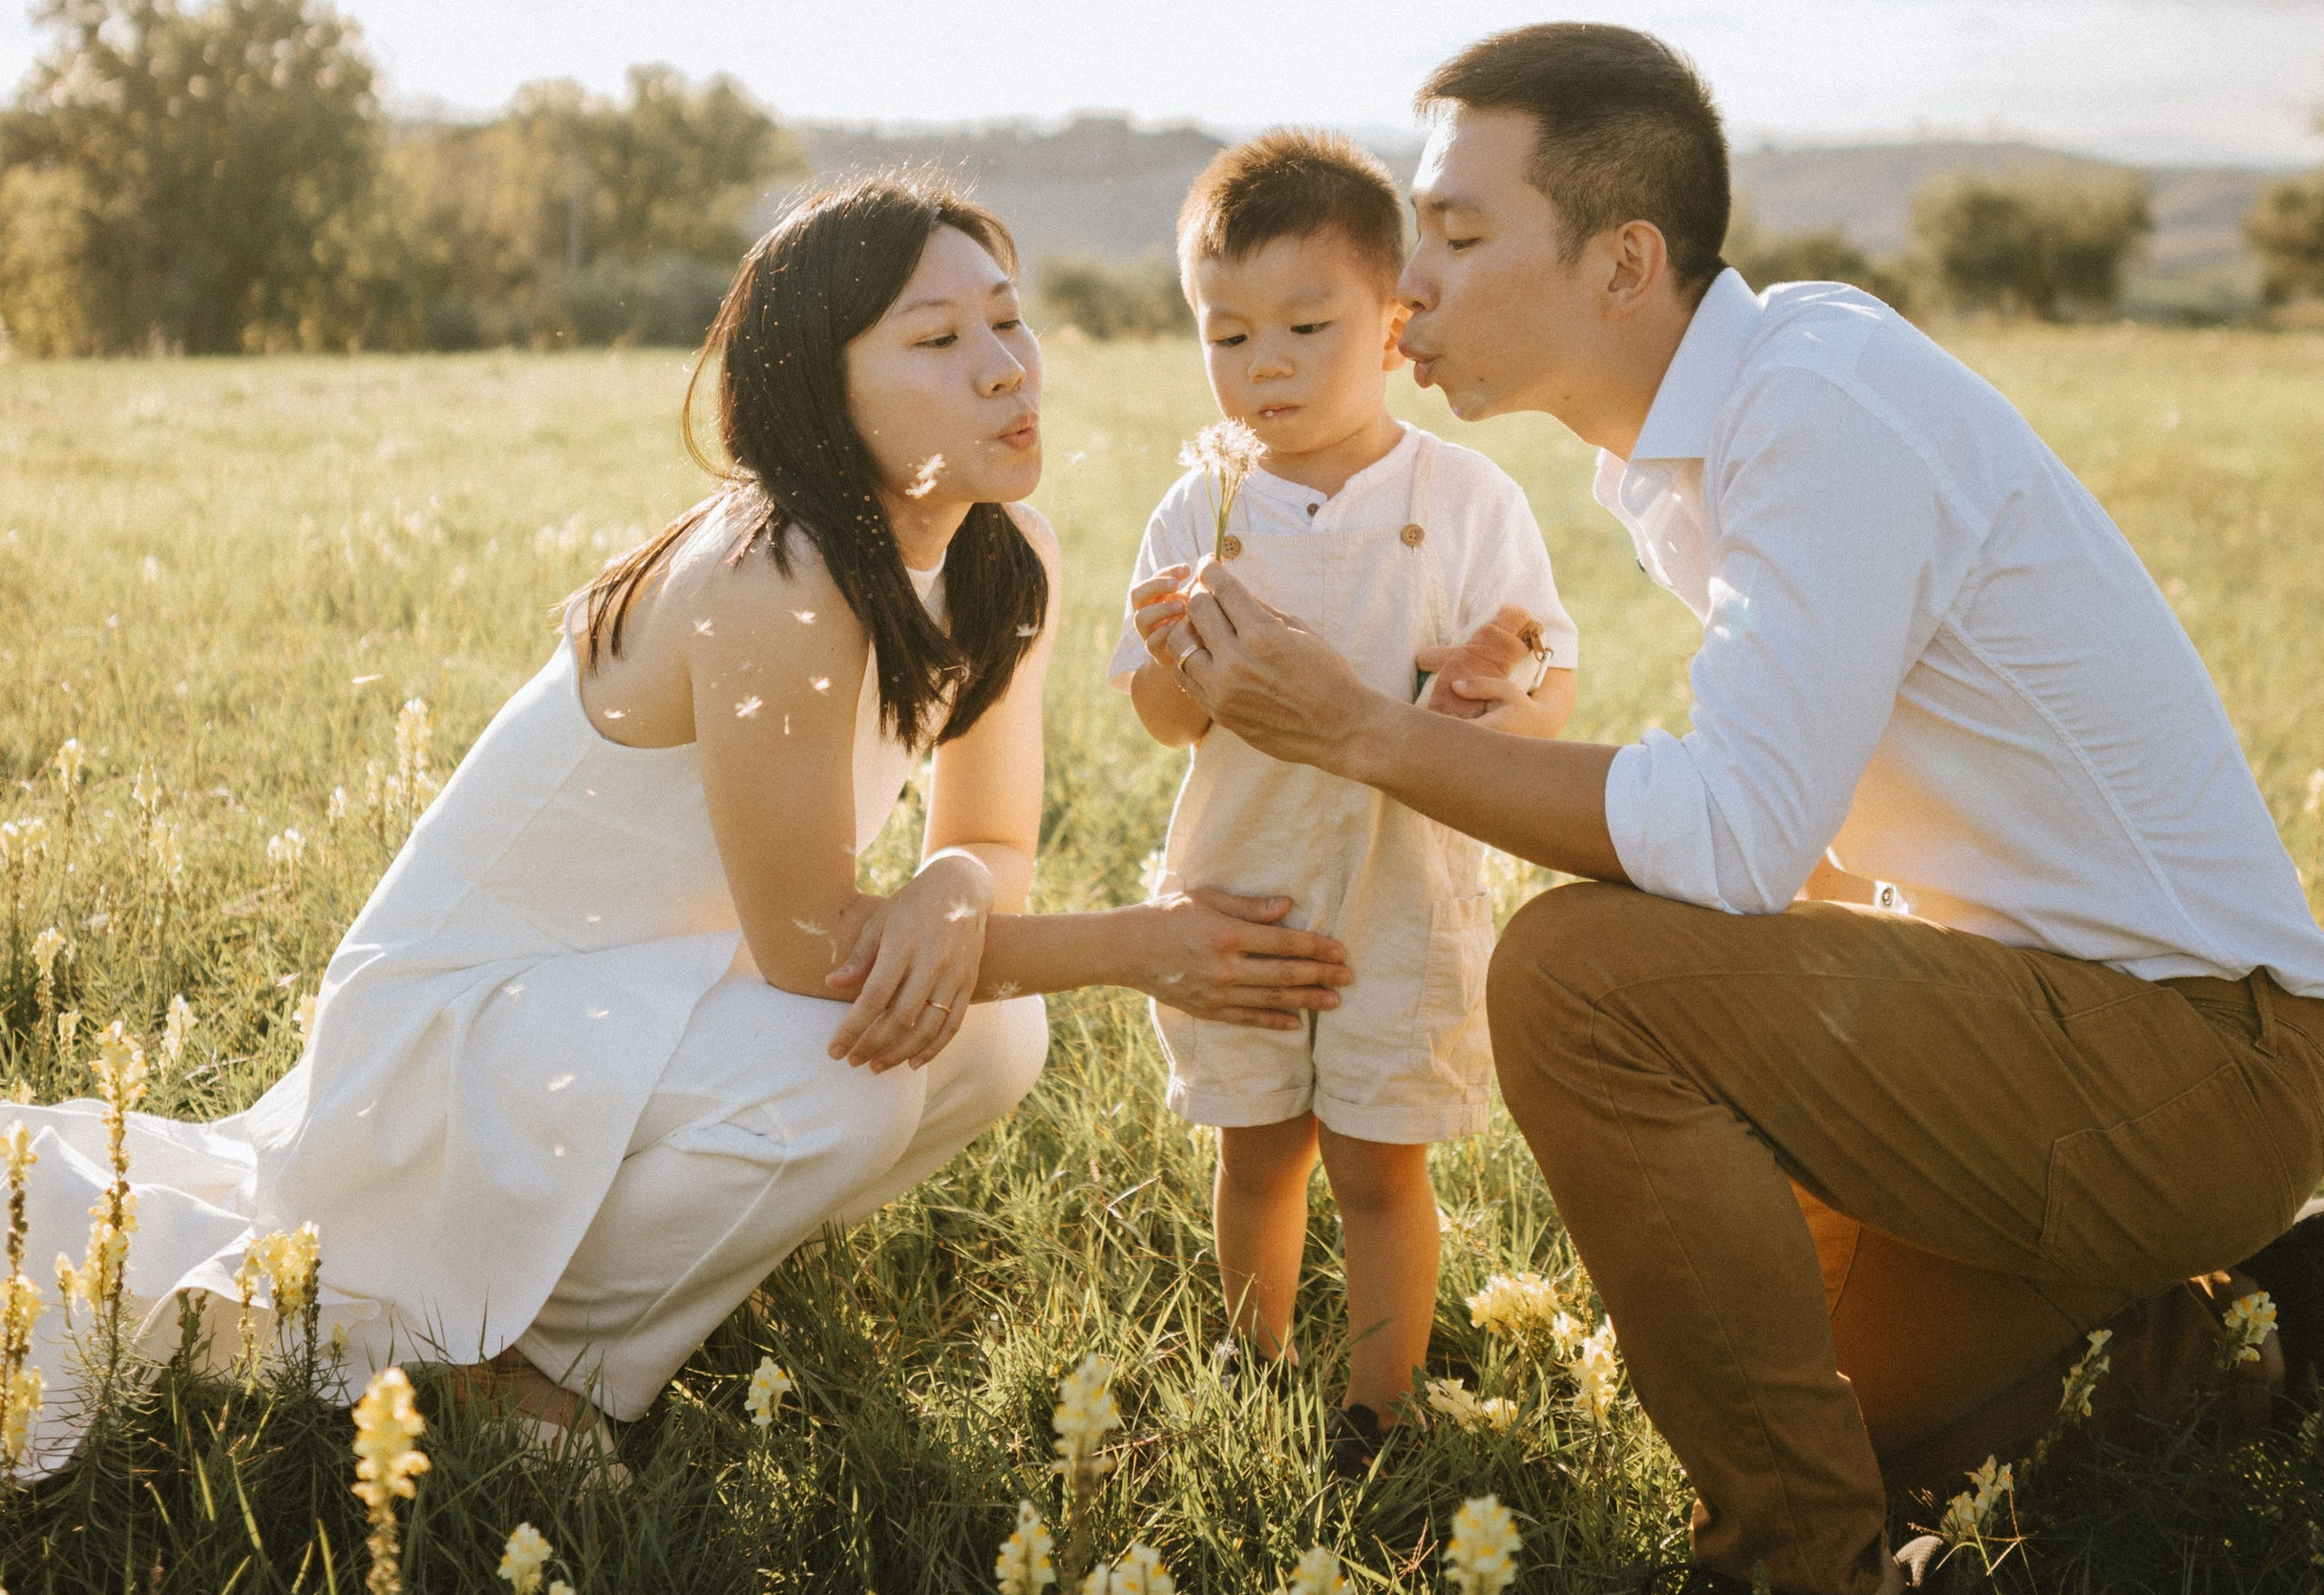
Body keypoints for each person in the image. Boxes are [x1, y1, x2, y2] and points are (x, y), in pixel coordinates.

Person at [1157, 23, 2324, 1595]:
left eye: (1458, 235)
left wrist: (1362, 731)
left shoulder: (1816, 412)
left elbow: (1733, 836)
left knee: (1576, 975)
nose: (1409, 286)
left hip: (2201, 1053)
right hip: (2056, 1027)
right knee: (1859, 1407)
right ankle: (2298, 1296)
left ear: (1625, 263)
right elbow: (1794, 841)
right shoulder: (1698, 439)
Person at [14, 177, 1352, 1471]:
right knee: (845, 1075)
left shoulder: (1009, 553)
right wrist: (1142, 946)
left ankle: (618, 1286)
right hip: (467, 1030)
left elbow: (994, 840)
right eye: (938, 340)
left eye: (1008, 318)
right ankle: (504, 1364)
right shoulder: (777, 575)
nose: (1006, 368)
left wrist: (950, 884)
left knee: (995, 1035)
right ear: (820, 388)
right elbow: (812, 951)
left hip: (642, 992)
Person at [1116, 131, 1577, 1463]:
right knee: (1258, 1148)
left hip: (1403, 891)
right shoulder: (1201, 511)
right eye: (1228, 335)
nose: (1264, 364)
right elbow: (1161, 721)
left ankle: (1382, 1405)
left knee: (1381, 1162)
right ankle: (1250, 1359)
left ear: (1393, 325)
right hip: (1241, 881)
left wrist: (1497, 688)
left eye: (1307, 326)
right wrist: (1179, 658)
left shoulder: (1466, 496)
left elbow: (1544, 687)